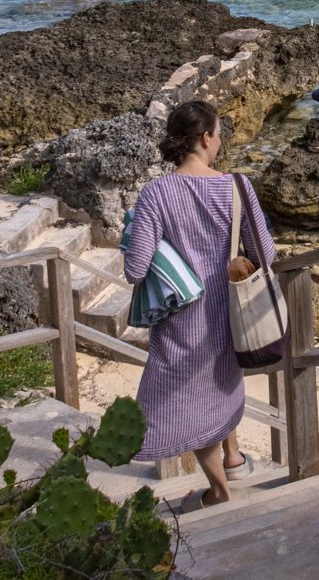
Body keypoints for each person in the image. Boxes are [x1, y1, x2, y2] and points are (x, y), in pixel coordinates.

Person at [121, 100, 278, 510]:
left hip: (181, 321)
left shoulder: (156, 193)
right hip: (228, 316)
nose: (220, 141)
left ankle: (221, 486)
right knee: (216, 395)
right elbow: (267, 254)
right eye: (219, 134)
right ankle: (229, 471)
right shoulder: (237, 187)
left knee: (183, 402)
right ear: (206, 138)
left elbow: (135, 269)